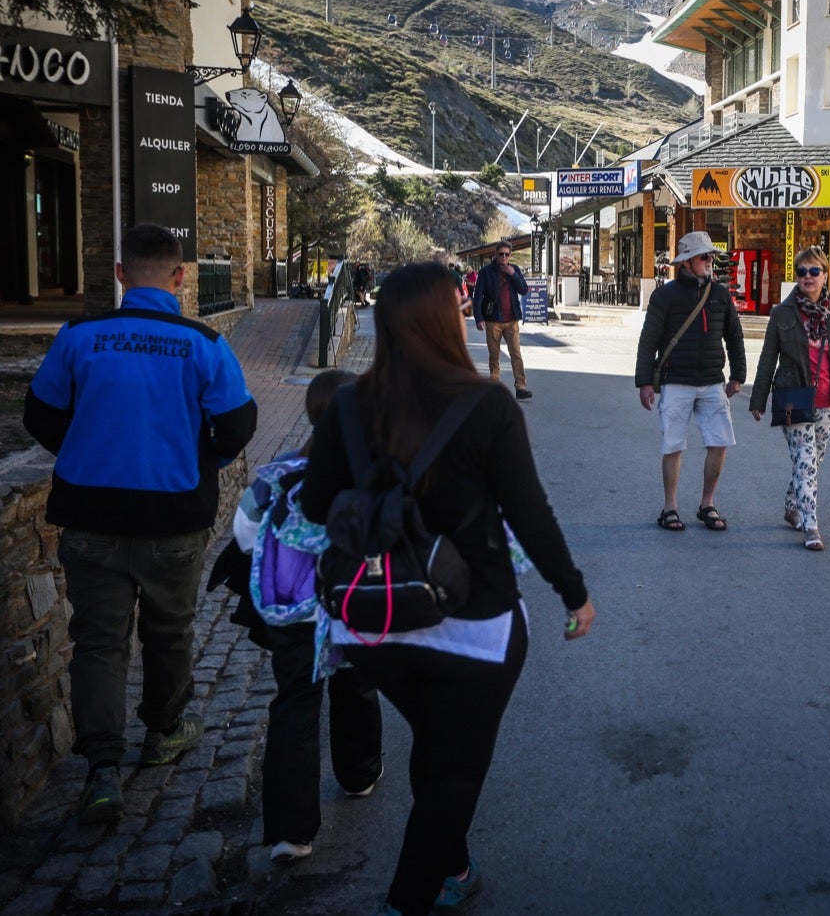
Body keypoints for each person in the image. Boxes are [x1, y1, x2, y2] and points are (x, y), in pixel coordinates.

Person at [298, 262, 595, 916]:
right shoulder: (486, 402)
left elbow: (317, 507)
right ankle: (407, 900)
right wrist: (573, 594)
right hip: (473, 624)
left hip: (371, 623)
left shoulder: (348, 405)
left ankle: (452, 864)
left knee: (438, 746)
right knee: (454, 771)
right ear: (446, 318)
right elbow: (530, 513)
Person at [23, 223, 258, 824]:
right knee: (170, 633)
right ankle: (163, 731)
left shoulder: (80, 335)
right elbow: (236, 424)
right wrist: (202, 463)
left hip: (90, 517)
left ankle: (102, 768)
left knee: (98, 643)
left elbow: (41, 414)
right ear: (180, 278)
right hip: (173, 519)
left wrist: (85, 452)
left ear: (121, 275)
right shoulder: (202, 342)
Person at [224, 369, 384, 865]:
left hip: (291, 612)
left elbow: (244, 532)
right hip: (349, 607)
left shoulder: (283, 471)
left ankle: (290, 832)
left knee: (295, 701)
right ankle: (358, 774)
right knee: (357, 685)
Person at [749, 246, 830, 552]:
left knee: (813, 461)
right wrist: (758, 398)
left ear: (825, 275)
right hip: (794, 398)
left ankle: (793, 506)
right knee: (805, 461)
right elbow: (767, 359)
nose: (808, 277)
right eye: (802, 272)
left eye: (814, 271)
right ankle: (811, 525)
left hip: (829, 399)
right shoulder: (782, 313)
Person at [635, 230, 747, 533]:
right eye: (703, 256)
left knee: (720, 442)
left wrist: (738, 375)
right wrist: (645, 382)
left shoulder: (721, 295)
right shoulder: (664, 296)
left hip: (712, 382)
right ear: (686, 262)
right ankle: (670, 507)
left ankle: (707, 504)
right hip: (676, 381)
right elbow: (649, 342)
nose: (709, 261)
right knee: (673, 445)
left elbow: (734, 337)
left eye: (710, 255)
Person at [471, 239, 532, 400]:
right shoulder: (486, 272)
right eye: (501, 254)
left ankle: (521, 386)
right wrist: (478, 318)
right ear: (496, 255)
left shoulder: (515, 270)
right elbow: (478, 296)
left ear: (510, 255)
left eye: (506, 254)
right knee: (494, 354)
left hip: (512, 319)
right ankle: (494, 385)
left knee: (516, 353)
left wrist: (512, 274)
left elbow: (524, 290)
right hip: (493, 320)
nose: (504, 257)